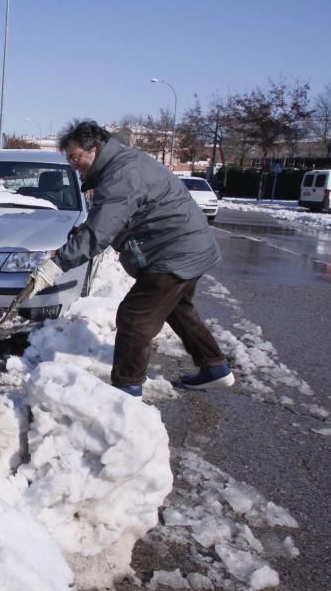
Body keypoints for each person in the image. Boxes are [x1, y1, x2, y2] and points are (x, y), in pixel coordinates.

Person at [26, 119, 234, 397]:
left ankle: (127, 389)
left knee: (134, 317)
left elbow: (100, 231)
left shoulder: (121, 174)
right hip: (185, 246)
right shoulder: (120, 165)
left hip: (174, 251)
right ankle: (215, 367)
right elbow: (108, 221)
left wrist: (55, 266)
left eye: (75, 158)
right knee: (177, 308)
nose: (73, 166)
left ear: (94, 148)